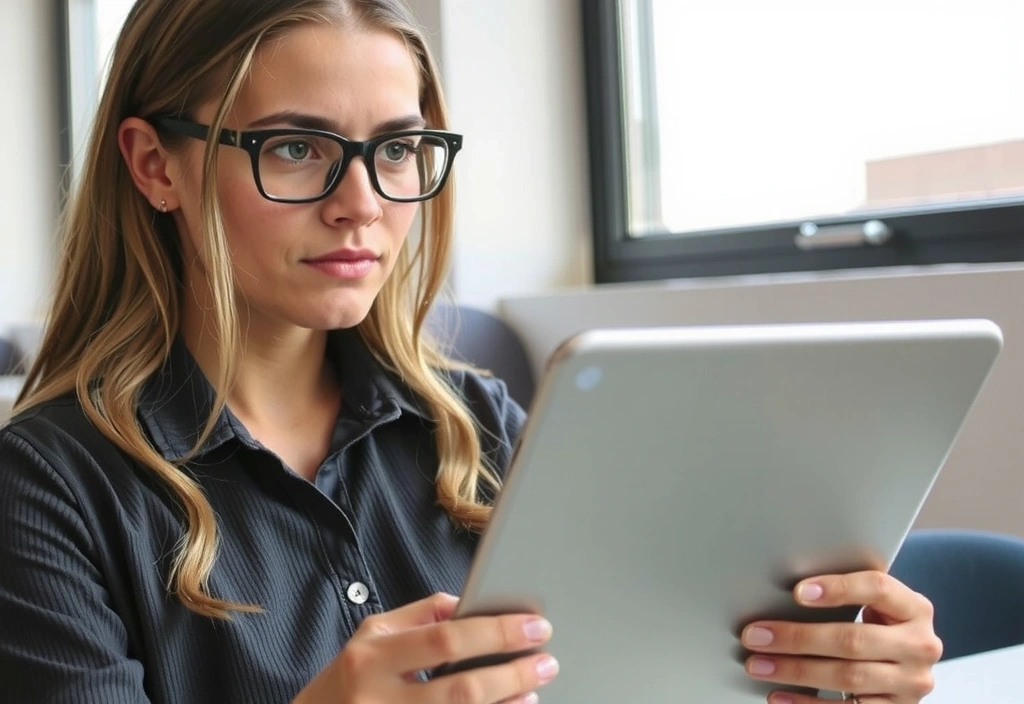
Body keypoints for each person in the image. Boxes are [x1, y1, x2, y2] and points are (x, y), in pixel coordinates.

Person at [0, 1, 942, 702]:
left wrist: (821, 675)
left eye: (399, 149)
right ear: (155, 164)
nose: (363, 202)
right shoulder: (46, 487)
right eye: (295, 148)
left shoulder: (482, 427)